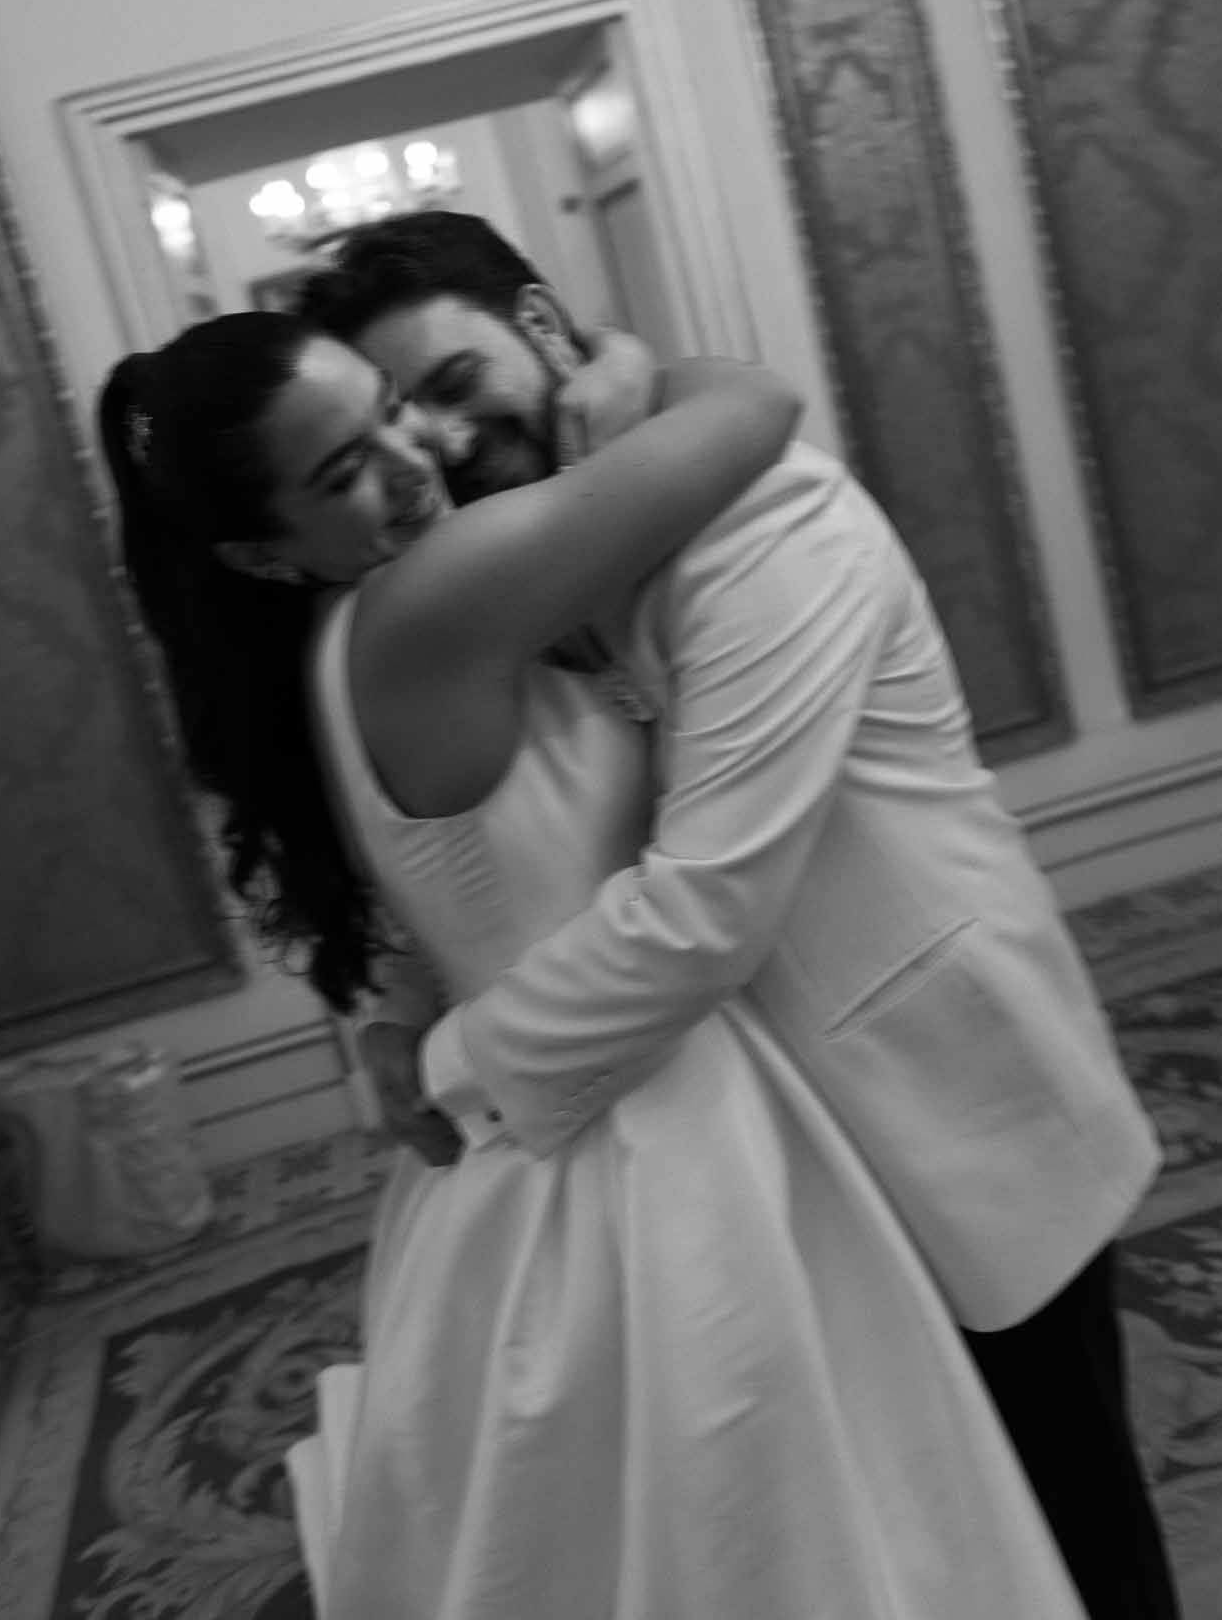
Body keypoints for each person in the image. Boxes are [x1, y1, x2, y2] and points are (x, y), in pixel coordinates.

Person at [98, 308, 1089, 1620]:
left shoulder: (327, 645)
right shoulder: (441, 590)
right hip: (644, 1136)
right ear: (260, 553)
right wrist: (616, 361)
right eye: (342, 471)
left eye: (390, 407)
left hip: (556, 1134)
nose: (411, 457)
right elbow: (751, 408)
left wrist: (409, 1031)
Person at [305, 208, 1178, 1620]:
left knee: (1072, 1525)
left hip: (942, 1097)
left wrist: (457, 1062)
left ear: (544, 328)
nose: (446, 442)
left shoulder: (770, 519)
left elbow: (708, 905)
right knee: (923, 1557)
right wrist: (396, 1000)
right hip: (756, 1163)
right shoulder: (525, 555)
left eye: (456, 383)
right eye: (408, 418)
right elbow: (475, 823)